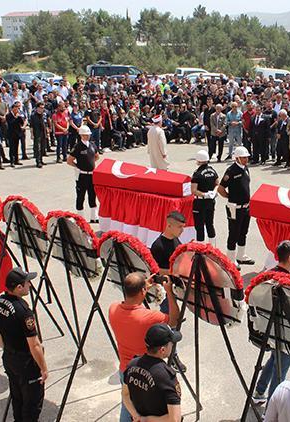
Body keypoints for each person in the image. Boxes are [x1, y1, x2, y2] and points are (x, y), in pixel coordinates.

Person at [110, 273, 180, 422]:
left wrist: (142, 286)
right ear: (143, 291)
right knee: (151, 410)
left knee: (128, 406)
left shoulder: (113, 309)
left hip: (126, 369)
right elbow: (174, 319)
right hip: (150, 372)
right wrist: (168, 292)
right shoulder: (148, 317)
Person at [0, 268, 48, 422]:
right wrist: (43, 368)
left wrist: (8, 352)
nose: (30, 285)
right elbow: (34, 345)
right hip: (26, 364)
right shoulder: (23, 311)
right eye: (27, 283)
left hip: (10, 358)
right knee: (31, 405)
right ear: (18, 287)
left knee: (17, 399)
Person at [252, 240, 290, 404]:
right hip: (284, 333)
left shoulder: (266, 277)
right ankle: (272, 410)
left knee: (274, 359)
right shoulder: (288, 284)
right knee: (280, 371)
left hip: (268, 329)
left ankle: (259, 391)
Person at [122, 323, 183, 422]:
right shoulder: (166, 377)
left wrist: (136, 416)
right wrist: (145, 419)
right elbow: (175, 419)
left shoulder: (132, 365)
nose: (173, 345)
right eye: (172, 343)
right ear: (163, 349)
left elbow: (125, 394)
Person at [218, 146, 255, 267]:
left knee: (243, 231)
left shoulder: (245, 168)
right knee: (233, 232)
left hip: (246, 207)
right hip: (235, 207)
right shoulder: (231, 171)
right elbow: (220, 188)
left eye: (247, 157)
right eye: (244, 158)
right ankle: (231, 259)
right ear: (237, 158)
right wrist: (230, 197)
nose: (246, 160)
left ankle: (241, 255)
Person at [67, 125, 100, 223]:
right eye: (85, 135)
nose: (87, 137)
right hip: (82, 175)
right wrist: (77, 166)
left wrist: (90, 163)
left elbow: (97, 156)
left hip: (91, 174)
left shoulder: (92, 145)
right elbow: (69, 160)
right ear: (81, 135)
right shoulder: (77, 147)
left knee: (92, 195)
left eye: (88, 135)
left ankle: (94, 216)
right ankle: (80, 218)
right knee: (80, 196)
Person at [191, 150, 219, 245]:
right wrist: (214, 192)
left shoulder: (197, 174)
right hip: (211, 201)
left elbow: (193, 190)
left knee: (199, 227)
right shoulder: (212, 171)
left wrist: (204, 194)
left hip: (200, 203)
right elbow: (217, 183)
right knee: (210, 224)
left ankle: (200, 249)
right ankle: (213, 247)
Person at [29, 102, 47, 168]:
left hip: (43, 133)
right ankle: (38, 161)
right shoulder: (33, 116)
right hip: (37, 133)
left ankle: (41, 160)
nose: (42, 109)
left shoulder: (43, 115)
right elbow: (31, 126)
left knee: (42, 147)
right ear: (37, 108)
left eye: (43, 108)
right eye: (41, 108)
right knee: (38, 148)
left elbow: (45, 124)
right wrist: (32, 134)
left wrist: (47, 132)